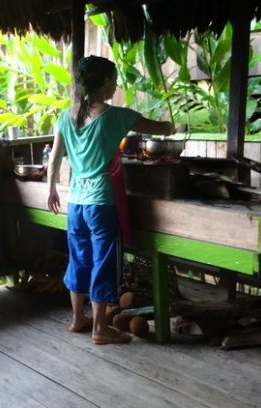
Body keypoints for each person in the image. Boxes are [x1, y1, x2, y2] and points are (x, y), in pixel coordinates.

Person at [47, 55, 175, 345]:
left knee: (79, 260)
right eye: (114, 81)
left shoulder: (66, 116)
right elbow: (159, 129)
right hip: (102, 204)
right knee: (104, 263)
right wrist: (171, 127)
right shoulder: (116, 116)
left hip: (76, 204)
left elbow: (54, 159)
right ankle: (100, 329)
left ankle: (79, 319)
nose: (116, 86)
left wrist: (51, 190)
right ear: (103, 82)